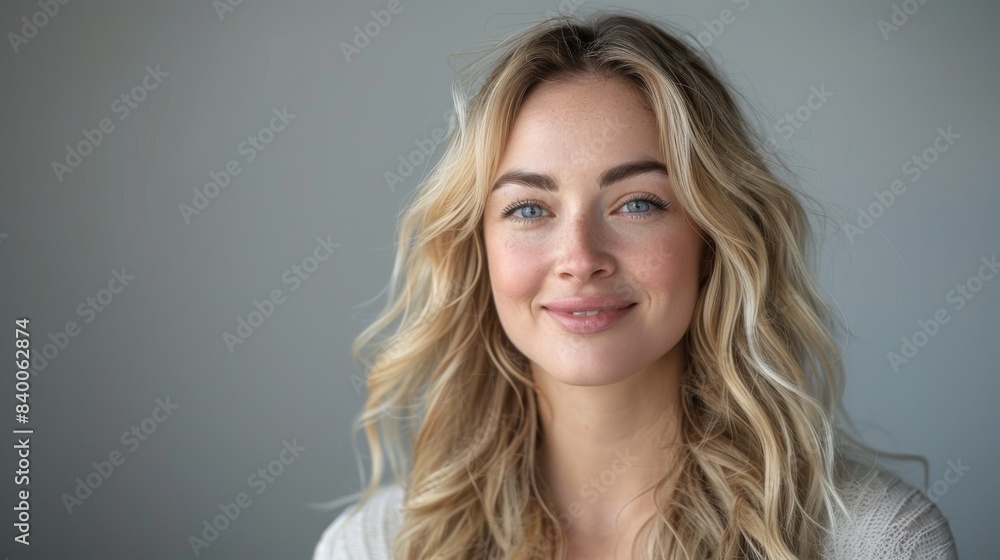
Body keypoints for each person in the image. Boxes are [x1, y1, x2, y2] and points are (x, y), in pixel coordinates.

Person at [313, 9, 958, 560]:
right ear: (477, 250)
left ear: (713, 239)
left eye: (638, 203)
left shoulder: (875, 540)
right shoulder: (375, 546)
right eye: (529, 209)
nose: (580, 258)